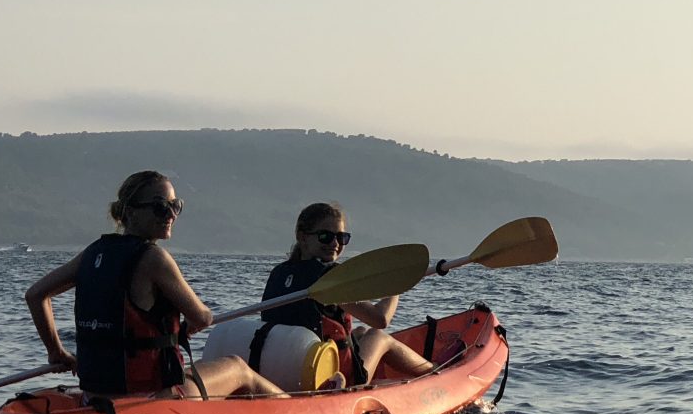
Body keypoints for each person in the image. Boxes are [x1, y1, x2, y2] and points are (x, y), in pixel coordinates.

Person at [24, 170, 285, 399]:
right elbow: (203, 318)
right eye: (160, 207)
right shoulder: (154, 258)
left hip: (95, 391)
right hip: (152, 398)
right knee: (238, 368)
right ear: (130, 212)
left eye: (176, 205)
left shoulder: (93, 253)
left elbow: (36, 295)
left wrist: (56, 352)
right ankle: (301, 412)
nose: (170, 214)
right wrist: (191, 324)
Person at [260, 202, 433, 386]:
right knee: (377, 336)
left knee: (359, 332)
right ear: (302, 237)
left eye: (342, 237)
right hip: (329, 372)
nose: (335, 243)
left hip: (285, 369)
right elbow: (380, 319)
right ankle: (436, 370)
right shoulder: (330, 278)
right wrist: (397, 287)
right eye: (325, 236)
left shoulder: (279, 273)